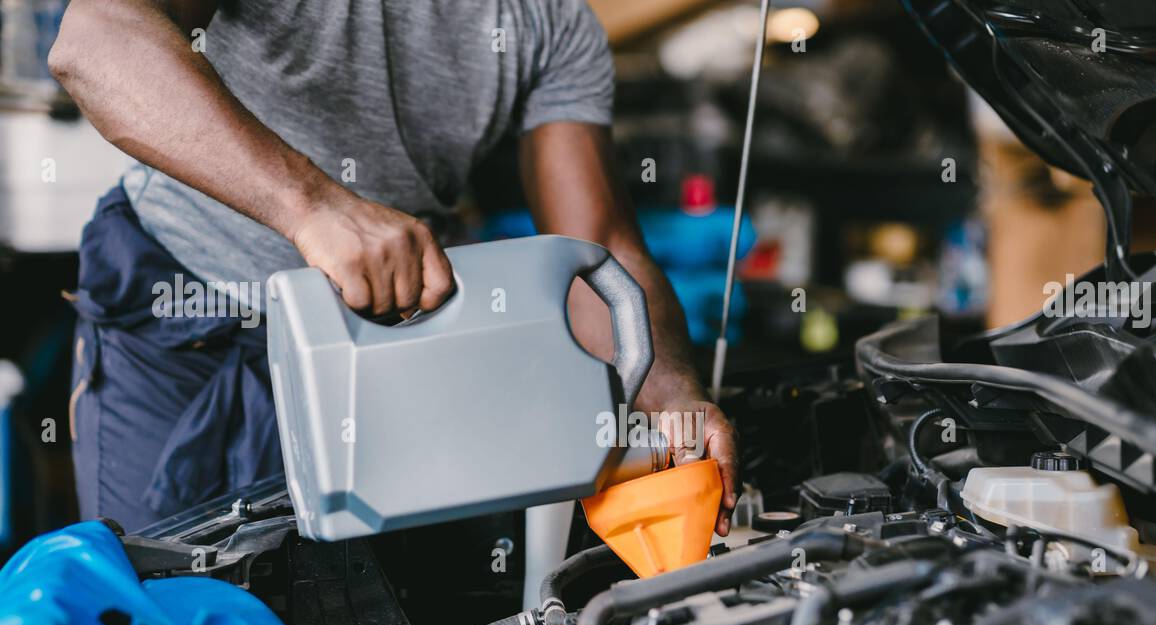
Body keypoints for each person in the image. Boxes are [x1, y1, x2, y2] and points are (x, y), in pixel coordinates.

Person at [49, 0, 739, 533]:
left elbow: (601, 252)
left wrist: (669, 390)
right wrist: (313, 205)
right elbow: (96, 38)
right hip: (184, 324)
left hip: (373, 351)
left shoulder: (551, 25)